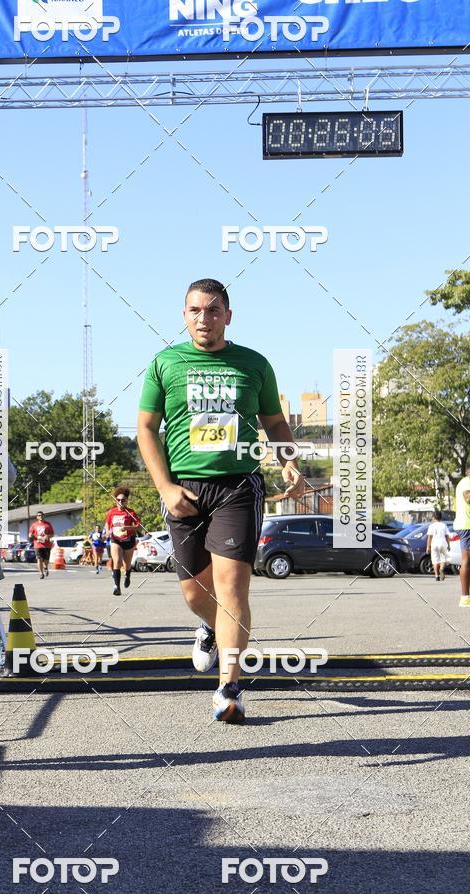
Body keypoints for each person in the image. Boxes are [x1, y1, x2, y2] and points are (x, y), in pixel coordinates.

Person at [137, 278, 304, 724]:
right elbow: (146, 429)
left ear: (228, 316)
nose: (204, 318)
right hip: (183, 488)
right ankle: (209, 626)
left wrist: (288, 461)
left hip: (238, 487)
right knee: (196, 592)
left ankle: (229, 688)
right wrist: (165, 487)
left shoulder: (254, 364)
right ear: (184, 316)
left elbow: (274, 422)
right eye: (195, 310)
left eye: (213, 310)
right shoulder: (165, 363)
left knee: (232, 588)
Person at [104, 487, 141, 596]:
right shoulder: (112, 512)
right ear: (115, 500)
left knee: (127, 564)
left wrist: (128, 528)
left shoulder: (130, 512)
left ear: (126, 501)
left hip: (128, 540)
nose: (120, 502)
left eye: (123, 500)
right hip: (116, 540)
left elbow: (139, 527)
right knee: (117, 562)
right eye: (118, 500)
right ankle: (117, 587)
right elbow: (107, 524)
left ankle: (127, 575)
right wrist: (107, 531)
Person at [453, 467, 470, 607]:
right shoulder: (467, 482)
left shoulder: (462, 483)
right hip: (467, 525)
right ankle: (465, 598)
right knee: (466, 560)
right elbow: (468, 498)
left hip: (464, 523)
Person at [426, 511, 451, 582]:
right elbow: (447, 536)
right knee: (443, 558)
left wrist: (428, 547)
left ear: (434, 517)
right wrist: (449, 545)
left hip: (434, 544)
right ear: (441, 517)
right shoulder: (444, 525)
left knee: (435, 560)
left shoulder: (431, 526)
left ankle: (437, 576)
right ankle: (441, 569)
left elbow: (429, 537)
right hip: (443, 543)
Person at [28, 511, 54, 579]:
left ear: (43, 516)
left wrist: (47, 536)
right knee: (39, 559)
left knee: (46, 560)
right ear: (37, 517)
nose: (40, 516)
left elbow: (52, 534)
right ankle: (41, 573)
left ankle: (45, 567)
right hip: (37, 545)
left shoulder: (48, 524)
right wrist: (32, 536)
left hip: (46, 545)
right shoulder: (34, 525)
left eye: (41, 515)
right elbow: (30, 534)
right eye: (39, 515)